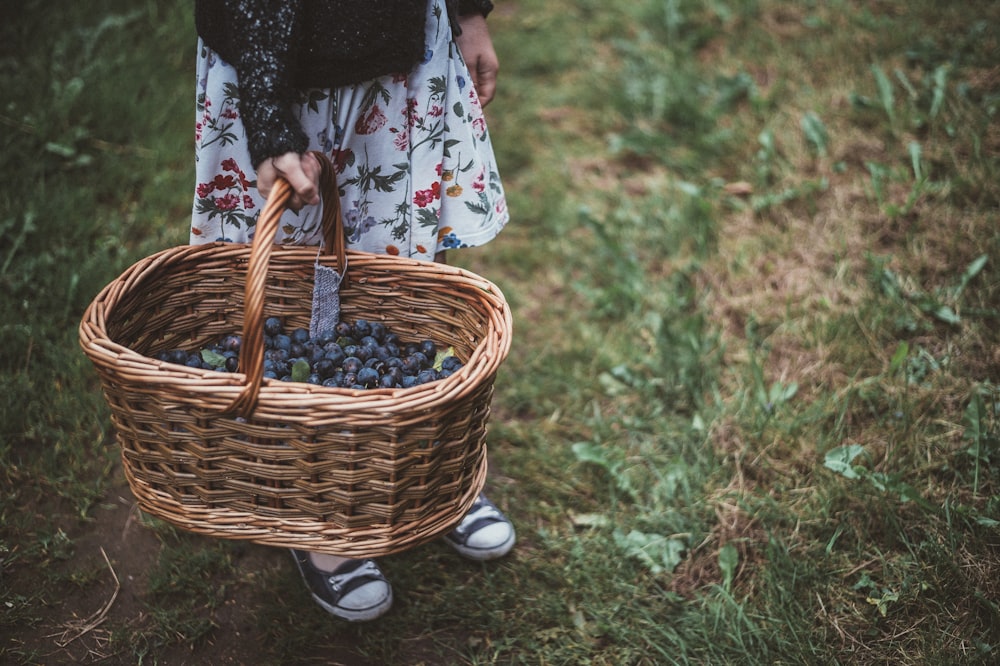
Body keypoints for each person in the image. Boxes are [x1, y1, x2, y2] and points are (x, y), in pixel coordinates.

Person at [190, 0, 514, 622]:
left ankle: (431, 473)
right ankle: (318, 510)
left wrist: (468, 13)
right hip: (281, 61)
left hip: (403, 45)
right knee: (293, 286)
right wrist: (267, 118)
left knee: (409, 270)